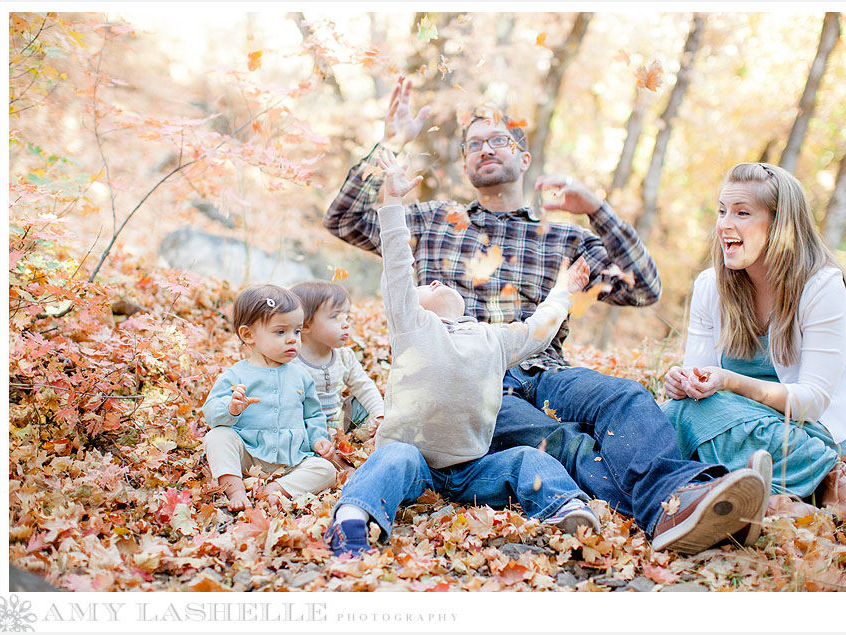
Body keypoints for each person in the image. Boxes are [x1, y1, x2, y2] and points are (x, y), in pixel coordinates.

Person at [323, 76, 768, 555]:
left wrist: (596, 209)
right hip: (471, 382)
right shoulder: (433, 221)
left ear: (524, 158)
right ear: (466, 162)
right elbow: (344, 219)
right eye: (474, 144)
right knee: (563, 443)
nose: (485, 149)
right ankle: (677, 511)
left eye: (499, 140)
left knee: (623, 396)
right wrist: (391, 142)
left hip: (547, 370)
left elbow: (643, 288)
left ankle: (681, 500)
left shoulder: (564, 240)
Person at [325, 148, 603, 557]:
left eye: (437, 281)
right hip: (416, 463)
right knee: (392, 459)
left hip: (474, 469)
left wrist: (563, 292)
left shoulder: (491, 339)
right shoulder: (414, 327)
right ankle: (352, 518)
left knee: (527, 458)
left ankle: (567, 508)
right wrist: (391, 203)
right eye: (426, 285)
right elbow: (400, 266)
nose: (433, 281)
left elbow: (537, 332)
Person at [660, 162, 846, 515]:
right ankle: (778, 500)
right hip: (730, 421)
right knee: (671, 412)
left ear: (780, 224)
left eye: (742, 212)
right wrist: (684, 382)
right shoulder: (710, 286)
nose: (725, 224)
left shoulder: (821, 286)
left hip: (808, 435)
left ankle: (824, 474)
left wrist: (729, 382)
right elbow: (698, 377)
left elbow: (811, 404)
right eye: (722, 211)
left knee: (683, 422)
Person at [202, 284, 338, 510]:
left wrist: (318, 439)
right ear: (249, 335)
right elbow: (211, 413)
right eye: (280, 332)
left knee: (326, 470)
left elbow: (313, 415)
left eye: (297, 331)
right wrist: (231, 409)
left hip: (292, 458)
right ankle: (234, 489)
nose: (293, 339)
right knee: (218, 437)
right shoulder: (236, 375)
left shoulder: (301, 376)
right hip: (248, 454)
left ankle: (279, 488)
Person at [289, 280, 384, 439]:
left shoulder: (344, 356)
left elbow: (363, 386)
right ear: (304, 325)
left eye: (346, 317)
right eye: (335, 317)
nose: (346, 324)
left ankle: (369, 433)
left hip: (338, 423)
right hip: (305, 428)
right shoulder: (292, 361)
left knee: (363, 403)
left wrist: (379, 413)